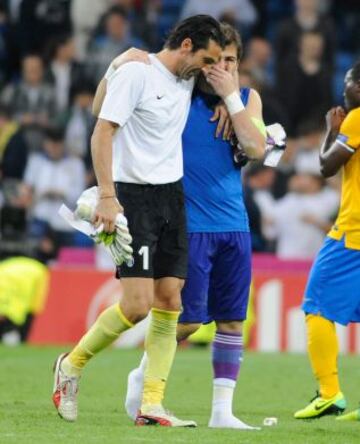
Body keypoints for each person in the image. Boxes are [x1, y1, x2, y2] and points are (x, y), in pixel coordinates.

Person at [52, 15, 226, 427]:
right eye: (207, 58)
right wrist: (108, 197)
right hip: (132, 197)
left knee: (171, 301)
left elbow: (229, 80)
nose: (210, 68)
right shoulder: (137, 72)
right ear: (186, 45)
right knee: (135, 306)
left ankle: (152, 403)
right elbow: (101, 126)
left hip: (172, 195)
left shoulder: (187, 80)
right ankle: (71, 366)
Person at [125, 23, 266, 429]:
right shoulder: (177, 93)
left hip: (234, 223)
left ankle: (222, 412)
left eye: (230, 61)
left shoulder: (245, 98)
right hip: (188, 222)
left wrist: (230, 101)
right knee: (186, 319)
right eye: (214, 60)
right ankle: (143, 374)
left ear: (238, 64)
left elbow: (256, 148)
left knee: (232, 319)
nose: (220, 68)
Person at [294, 61, 360, 420]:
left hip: (353, 233)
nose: (344, 91)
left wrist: (329, 131)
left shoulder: (355, 118)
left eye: (347, 84)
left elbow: (325, 167)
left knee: (316, 305)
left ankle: (329, 392)